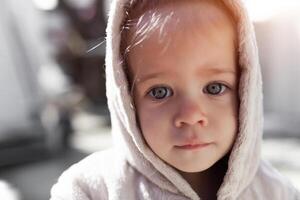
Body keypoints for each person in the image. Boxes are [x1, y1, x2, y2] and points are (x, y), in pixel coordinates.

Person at [50, 0, 300, 199]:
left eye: (215, 88)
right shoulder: (90, 189)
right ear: (127, 99)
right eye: (160, 92)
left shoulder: (276, 192)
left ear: (245, 91)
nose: (191, 115)